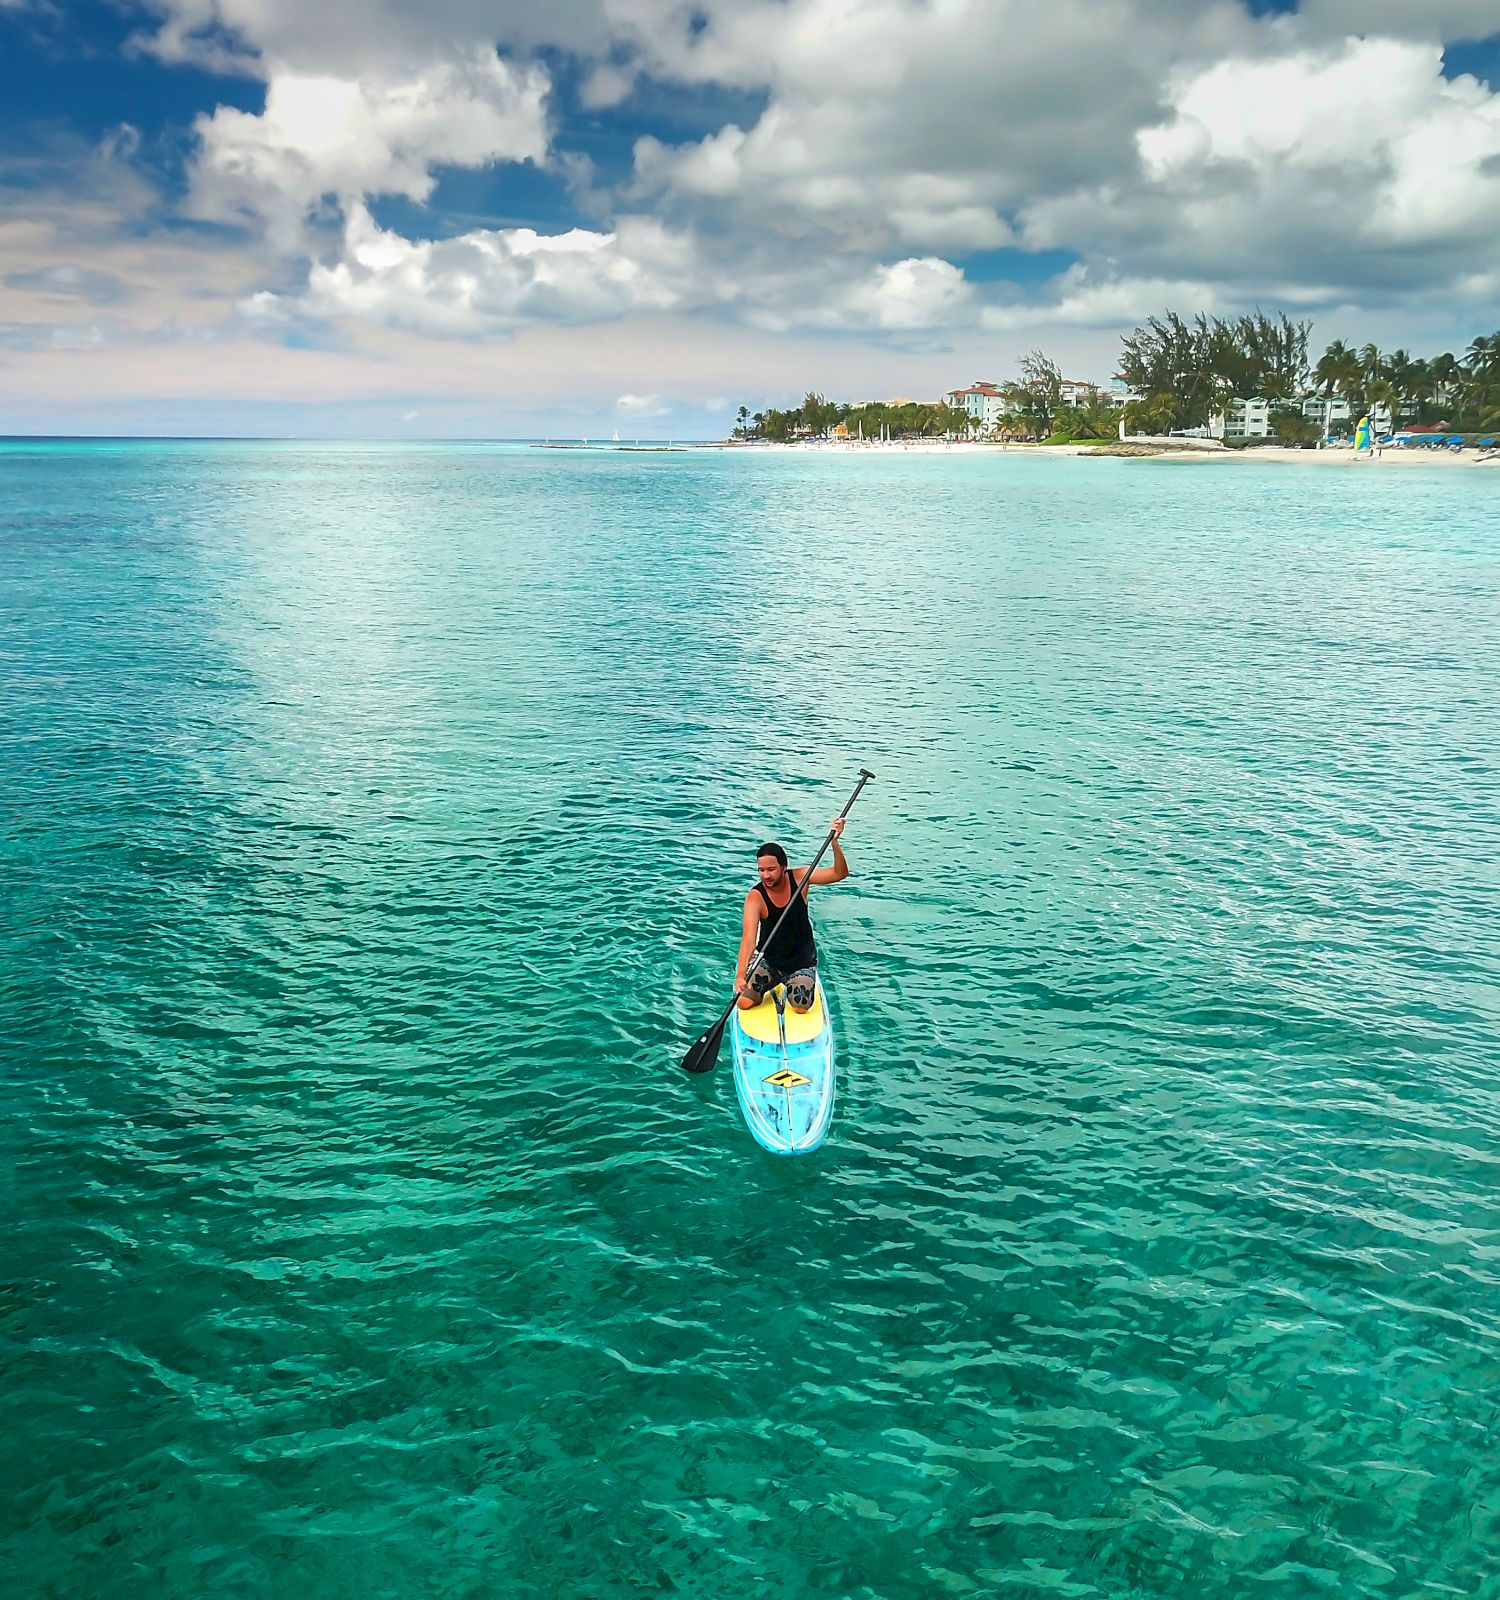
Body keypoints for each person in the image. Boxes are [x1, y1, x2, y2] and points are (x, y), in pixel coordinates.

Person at [734, 818, 850, 1015]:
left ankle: (798, 984)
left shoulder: (801, 878)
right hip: (769, 961)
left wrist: (835, 843)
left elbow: (840, 873)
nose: (766, 876)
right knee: (743, 1003)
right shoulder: (755, 897)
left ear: (783, 867)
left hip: (801, 963)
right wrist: (739, 976)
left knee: (800, 1007)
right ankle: (773, 988)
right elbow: (748, 939)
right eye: (761, 870)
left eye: (771, 869)